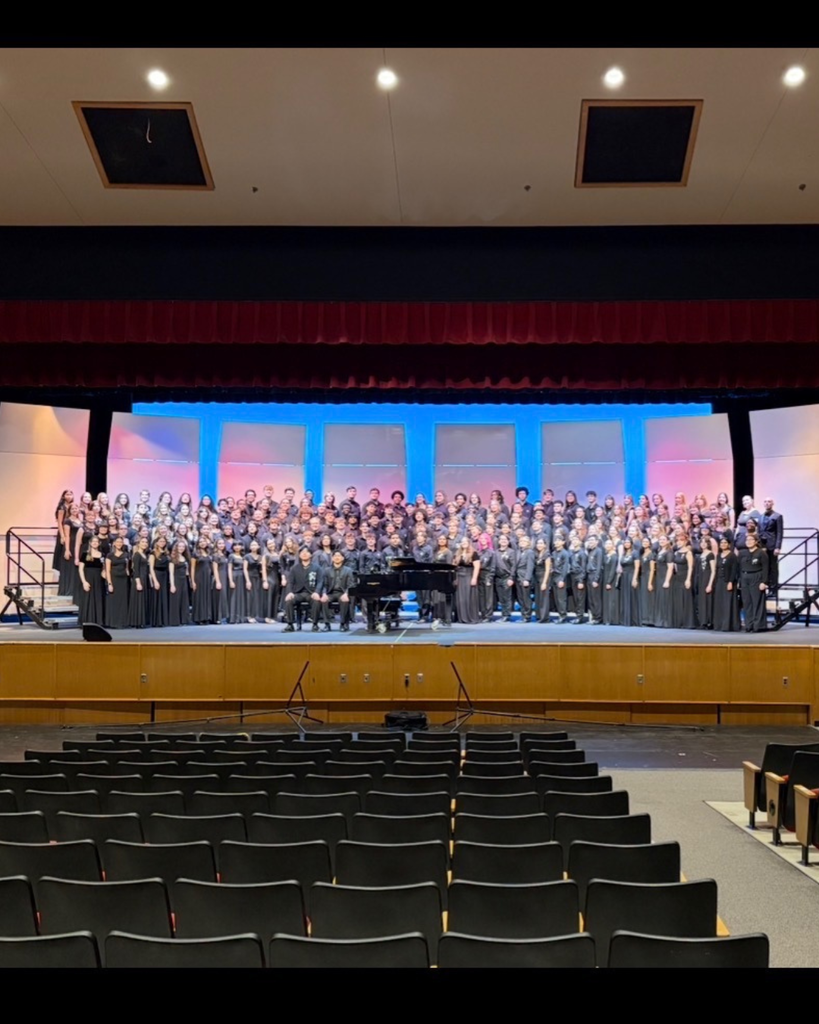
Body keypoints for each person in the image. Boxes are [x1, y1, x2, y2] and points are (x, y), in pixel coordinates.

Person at [283, 546, 325, 632]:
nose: (304, 554)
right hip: (298, 593)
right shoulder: (294, 568)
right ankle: (290, 624)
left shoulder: (317, 568)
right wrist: (290, 592)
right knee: (289, 601)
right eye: (302, 552)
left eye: (307, 552)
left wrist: (317, 592)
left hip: (311, 593)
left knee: (316, 601)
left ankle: (315, 624)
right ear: (299, 555)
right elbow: (290, 582)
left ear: (311, 555)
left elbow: (320, 581)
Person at [739, 534, 769, 632]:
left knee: (757, 602)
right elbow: (739, 568)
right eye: (747, 540)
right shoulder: (742, 553)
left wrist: (764, 582)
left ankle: (758, 625)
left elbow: (766, 568)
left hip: (757, 577)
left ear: (756, 541)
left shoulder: (761, 553)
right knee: (747, 602)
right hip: (744, 578)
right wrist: (740, 580)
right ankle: (749, 625)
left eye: (751, 540)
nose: (748, 541)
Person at [321, 549, 356, 631]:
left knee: (344, 600)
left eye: (339, 556)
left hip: (342, 593)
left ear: (343, 558)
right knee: (324, 600)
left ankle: (343, 624)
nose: (337, 558)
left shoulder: (348, 570)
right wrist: (324, 594)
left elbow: (351, 584)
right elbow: (324, 584)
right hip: (331, 593)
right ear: (332, 558)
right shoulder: (326, 570)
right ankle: (327, 624)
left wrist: (346, 593)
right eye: (335, 556)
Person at [713, 537, 741, 632]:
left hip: (728, 581)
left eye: (725, 543)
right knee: (720, 603)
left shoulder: (732, 556)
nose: (723, 544)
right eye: (721, 543)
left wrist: (730, 582)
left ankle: (728, 625)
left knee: (728, 603)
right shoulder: (718, 555)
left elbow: (734, 570)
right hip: (719, 582)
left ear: (729, 545)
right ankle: (719, 624)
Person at [78, 535, 106, 626]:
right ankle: (86, 621)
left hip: (98, 580)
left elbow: (103, 569)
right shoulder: (85, 554)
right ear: (90, 543)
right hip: (88, 578)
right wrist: (84, 582)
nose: (95, 543)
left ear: (99, 543)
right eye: (93, 541)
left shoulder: (102, 555)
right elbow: (80, 569)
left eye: (96, 541)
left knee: (98, 599)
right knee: (88, 599)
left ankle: (98, 621)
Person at [453, 537, 481, 624]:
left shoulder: (474, 553)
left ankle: (470, 617)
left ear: (469, 543)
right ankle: (462, 618)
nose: (464, 543)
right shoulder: (457, 553)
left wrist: (474, 578)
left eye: (465, 541)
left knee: (469, 597)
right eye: (462, 541)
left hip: (469, 576)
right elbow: (453, 566)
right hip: (459, 577)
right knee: (460, 598)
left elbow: (477, 567)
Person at [104, 535, 130, 629]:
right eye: (117, 542)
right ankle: (113, 622)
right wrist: (109, 583)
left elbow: (127, 568)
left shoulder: (126, 554)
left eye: (121, 542)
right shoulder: (109, 555)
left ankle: (123, 622)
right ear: (114, 543)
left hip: (123, 580)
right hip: (114, 579)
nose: (119, 543)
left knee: (123, 601)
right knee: (114, 601)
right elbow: (107, 570)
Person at [758, 497, 784, 592]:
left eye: (769, 501)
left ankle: (774, 588)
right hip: (762, 545)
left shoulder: (777, 516)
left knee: (773, 566)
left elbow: (780, 532)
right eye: (765, 501)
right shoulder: (760, 516)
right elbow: (759, 531)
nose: (767, 503)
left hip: (772, 545)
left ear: (772, 503)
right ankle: (766, 584)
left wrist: (778, 547)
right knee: (764, 566)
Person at [168, 540, 192, 627]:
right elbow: (171, 573)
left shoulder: (185, 558)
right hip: (176, 580)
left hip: (184, 580)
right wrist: (172, 585)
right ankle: (175, 620)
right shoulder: (173, 558)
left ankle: (184, 619)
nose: (181, 548)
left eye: (183, 547)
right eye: (179, 546)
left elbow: (187, 572)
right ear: (176, 547)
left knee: (184, 599)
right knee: (176, 599)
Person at [493, 534, 517, 622]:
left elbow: (513, 566)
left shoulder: (511, 552)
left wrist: (511, 578)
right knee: (501, 597)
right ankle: (503, 614)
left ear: (508, 542)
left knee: (507, 597)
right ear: (498, 542)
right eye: (501, 539)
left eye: (505, 540)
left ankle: (507, 615)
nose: (503, 541)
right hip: (498, 578)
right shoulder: (495, 552)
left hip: (507, 577)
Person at [148, 537, 171, 627]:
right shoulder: (153, 553)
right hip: (157, 575)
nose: (162, 543)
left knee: (163, 597)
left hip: (165, 576)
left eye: (164, 541)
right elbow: (151, 568)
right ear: (156, 542)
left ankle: (163, 620)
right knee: (156, 598)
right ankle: (156, 621)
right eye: (160, 541)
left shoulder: (166, 553)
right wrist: (155, 581)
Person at [243, 540, 267, 624]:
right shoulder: (247, 556)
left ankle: (257, 615)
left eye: (255, 545)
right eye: (252, 545)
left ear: (258, 547)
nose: (253, 547)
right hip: (249, 577)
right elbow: (245, 569)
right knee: (250, 596)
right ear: (250, 547)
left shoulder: (261, 557)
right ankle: (249, 616)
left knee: (257, 597)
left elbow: (263, 570)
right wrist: (247, 581)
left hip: (258, 578)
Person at [128, 536, 150, 627]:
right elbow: (135, 570)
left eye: (146, 542)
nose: (144, 543)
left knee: (142, 600)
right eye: (143, 542)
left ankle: (142, 620)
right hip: (139, 579)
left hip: (144, 578)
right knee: (138, 600)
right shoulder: (137, 555)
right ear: (138, 543)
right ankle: (137, 622)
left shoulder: (144, 554)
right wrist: (138, 582)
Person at [619, 537, 640, 627]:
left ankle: (633, 620)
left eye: (628, 542)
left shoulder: (635, 553)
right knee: (625, 597)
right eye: (625, 542)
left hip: (631, 575)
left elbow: (637, 567)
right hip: (624, 577)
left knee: (632, 597)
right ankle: (625, 619)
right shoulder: (624, 553)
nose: (627, 544)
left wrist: (634, 579)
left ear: (631, 543)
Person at [514, 535, 535, 623]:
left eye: (524, 541)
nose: (522, 543)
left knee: (526, 598)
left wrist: (527, 579)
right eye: (521, 541)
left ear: (528, 543)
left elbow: (530, 566)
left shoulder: (530, 552)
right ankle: (523, 614)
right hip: (518, 577)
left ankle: (527, 615)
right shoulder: (518, 552)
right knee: (520, 597)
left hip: (524, 577)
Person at [696, 540, 716, 629]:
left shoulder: (710, 554)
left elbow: (713, 570)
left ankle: (709, 621)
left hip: (707, 578)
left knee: (708, 599)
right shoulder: (700, 555)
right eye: (701, 542)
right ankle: (702, 621)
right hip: (701, 578)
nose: (703, 544)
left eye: (705, 542)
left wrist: (710, 584)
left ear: (708, 544)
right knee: (702, 600)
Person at [551, 536, 571, 624]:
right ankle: (560, 614)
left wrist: (562, 580)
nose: (557, 542)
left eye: (559, 541)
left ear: (563, 542)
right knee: (556, 597)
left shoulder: (565, 553)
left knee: (561, 598)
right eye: (555, 541)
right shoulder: (554, 553)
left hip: (560, 577)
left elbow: (565, 567)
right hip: (554, 576)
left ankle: (563, 615)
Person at [638, 536, 656, 628]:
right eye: (643, 541)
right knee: (644, 598)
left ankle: (650, 619)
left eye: (646, 541)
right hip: (643, 577)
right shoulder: (642, 553)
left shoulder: (651, 554)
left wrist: (650, 582)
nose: (644, 543)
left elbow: (652, 569)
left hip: (649, 577)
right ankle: (644, 619)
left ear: (650, 543)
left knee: (649, 598)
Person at [533, 537, 552, 623]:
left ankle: (544, 618)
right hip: (537, 578)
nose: (539, 545)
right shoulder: (536, 554)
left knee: (544, 598)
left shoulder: (547, 554)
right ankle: (539, 615)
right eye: (538, 543)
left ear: (545, 545)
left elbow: (548, 569)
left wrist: (544, 582)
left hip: (544, 577)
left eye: (541, 543)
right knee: (538, 598)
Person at [228, 542, 248, 624]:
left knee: (241, 596)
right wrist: (231, 580)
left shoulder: (243, 556)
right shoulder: (231, 556)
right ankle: (233, 618)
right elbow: (229, 569)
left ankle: (240, 617)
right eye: (235, 545)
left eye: (238, 545)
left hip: (242, 576)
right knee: (234, 597)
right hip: (234, 575)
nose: (237, 547)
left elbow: (245, 569)